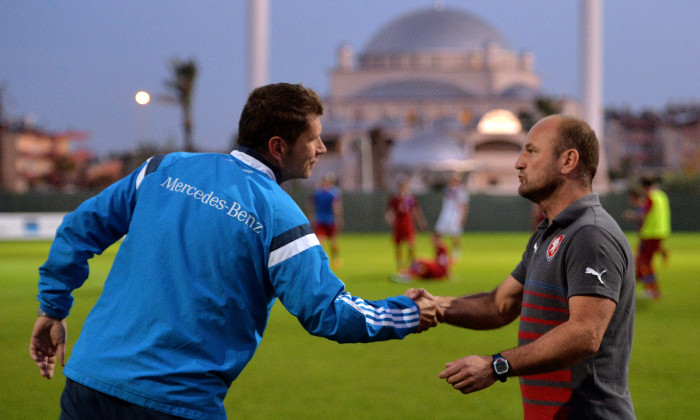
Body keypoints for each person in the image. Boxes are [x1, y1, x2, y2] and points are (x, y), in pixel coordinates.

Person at [30, 83, 439, 420]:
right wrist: (406, 312)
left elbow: (77, 230)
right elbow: (327, 312)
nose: (322, 148)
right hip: (175, 404)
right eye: (313, 138)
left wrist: (52, 309)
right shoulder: (280, 215)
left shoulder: (162, 169)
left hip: (88, 384)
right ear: (278, 147)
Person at [409, 115, 636, 419]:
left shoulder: (590, 235)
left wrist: (495, 365)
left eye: (531, 151)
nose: (518, 162)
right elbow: (499, 304)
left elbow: (585, 333)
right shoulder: (550, 232)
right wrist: (434, 306)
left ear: (568, 160)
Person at [624, 176, 671, 300]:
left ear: (644, 186)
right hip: (661, 232)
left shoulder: (650, 197)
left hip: (651, 233)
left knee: (643, 262)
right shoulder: (661, 196)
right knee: (643, 261)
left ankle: (652, 291)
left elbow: (642, 215)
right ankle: (642, 289)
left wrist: (630, 216)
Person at [385, 180, 427, 270]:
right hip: (398, 224)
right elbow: (389, 212)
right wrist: (389, 218)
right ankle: (399, 265)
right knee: (398, 246)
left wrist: (421, 221)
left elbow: (416, 211)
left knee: (411, 245)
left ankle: (411, 264)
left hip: (408, 223)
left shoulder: (410, 199)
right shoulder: (395, 200)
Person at [308, 173, 343, 268]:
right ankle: (326, 261)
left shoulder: (326, 193)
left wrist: (338, 219)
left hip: (326, 220)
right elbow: (336, 207)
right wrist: (338, 219)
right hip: (324, 220)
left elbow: (311, 206)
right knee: (324, 242)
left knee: (329, 242)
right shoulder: (323, 193)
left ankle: (332, 259)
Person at [434, 172, 469, 258]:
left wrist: (463, 217)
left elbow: (464, 205)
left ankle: (456, 253)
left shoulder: (461, 191)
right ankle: (440, 253)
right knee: (438, 234)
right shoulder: (447, 189)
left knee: (455, 235)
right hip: (445, 214)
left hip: (455, 215)